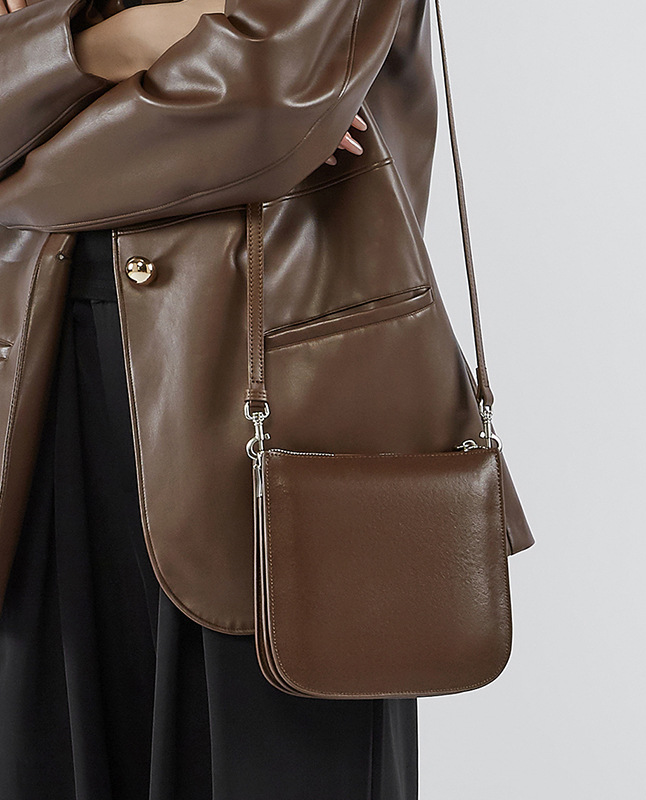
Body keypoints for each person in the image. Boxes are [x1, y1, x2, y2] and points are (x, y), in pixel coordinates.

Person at [0, 0, 421, 796]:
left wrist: (46, 82)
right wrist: (132, 39)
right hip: (35, 408)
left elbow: (270, 89)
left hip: (280, 411)